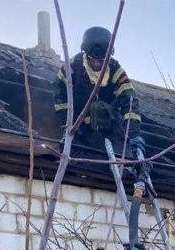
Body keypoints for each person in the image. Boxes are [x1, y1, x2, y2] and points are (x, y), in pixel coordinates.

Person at [54, 26, 144, 161]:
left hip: (109, 120)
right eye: (93, 59)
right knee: (75, 156)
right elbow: (60, 98)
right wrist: (70, 125)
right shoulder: (71, 66)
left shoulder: (115, 70)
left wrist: (133, 134)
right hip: (79, 122)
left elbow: (130, 101)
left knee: (124, 158)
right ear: (85, 53)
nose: (97, 63)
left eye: (102, 60)